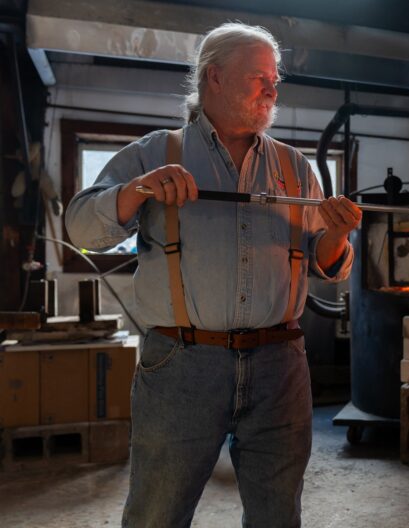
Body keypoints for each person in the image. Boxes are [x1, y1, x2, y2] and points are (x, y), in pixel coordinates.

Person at [65, 22, 362, 528]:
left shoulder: (294, 167)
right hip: (183, 365)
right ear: (215, 78)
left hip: (279, 366)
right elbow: (81, 229)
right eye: (258, 77)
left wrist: (336, 236)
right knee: (158, 513)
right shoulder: (156, 153)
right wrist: (137, 190)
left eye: (275, 78)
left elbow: (324, 264)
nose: (272, 88)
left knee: (277, 515)